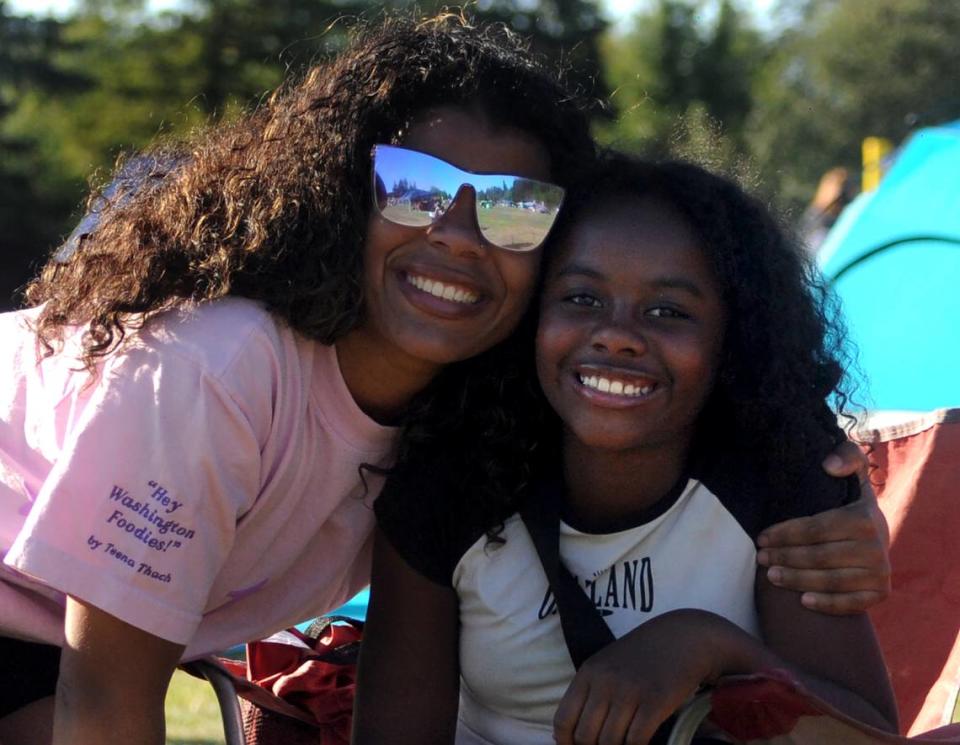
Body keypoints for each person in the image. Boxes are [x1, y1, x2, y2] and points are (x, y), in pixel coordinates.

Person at [0, 12, 885, 745]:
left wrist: (844, 505)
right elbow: (105, 707)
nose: (459, 233)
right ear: (347, 190)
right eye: (415, 185)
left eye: (513, 206)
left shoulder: (465, 398)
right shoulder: (215, 371)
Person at [355, 152, 899, 745]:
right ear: (531, 316)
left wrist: (709, 646)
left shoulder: (779, 480)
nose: (616, 335)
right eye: (582, 299)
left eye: (668, 311)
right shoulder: (446, 487)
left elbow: (866, 735)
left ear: (734, 338)